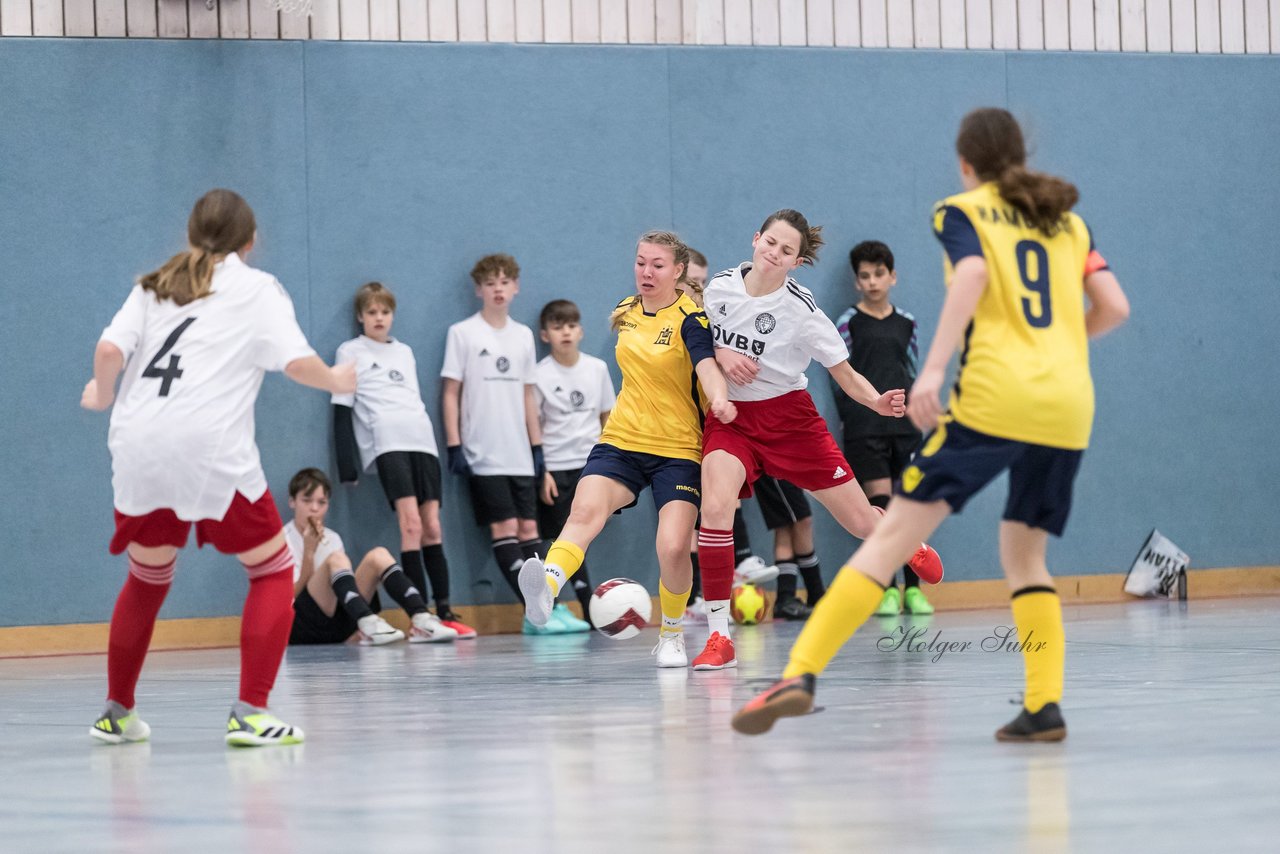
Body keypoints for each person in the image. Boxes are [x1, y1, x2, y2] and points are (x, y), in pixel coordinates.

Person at [732, 108, 1130, 742]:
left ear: (966, 162)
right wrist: (1056, 350)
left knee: (890, 539)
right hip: (1068, 403)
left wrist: (932, 371)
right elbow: (1114, 306)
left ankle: (801, 674)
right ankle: (1044, 703)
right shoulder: (1069, 222)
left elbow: (972, 274)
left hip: (995, 400)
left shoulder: (961, 211)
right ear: (1021, 155)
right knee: (1027, 556)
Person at [82, 189, 355, 747]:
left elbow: (109, 352)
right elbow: (297, 363)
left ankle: (115, 712)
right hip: (207, 446)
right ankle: (252, 712)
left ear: (191, 234)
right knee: (273, 570)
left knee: (147, 575)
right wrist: (336, 379)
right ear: (251, 241)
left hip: (137, 444)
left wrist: (103, 393)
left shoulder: (153, 285)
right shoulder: (256, 289)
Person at [694, 209, 944, 672]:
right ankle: (717, 636)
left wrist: (876, 402)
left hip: (791, 422)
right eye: (770, 242)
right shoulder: (721, 286)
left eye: (787, 250)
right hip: (733, 419)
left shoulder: (802, 310)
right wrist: (722, 352)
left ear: (797, 262)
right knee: (714, 509)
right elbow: (702, 340)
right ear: (755, 239)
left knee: (861, 525)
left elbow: (845, 375)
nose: (774, 253)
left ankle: (903, 538)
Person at [517, 231, 736, 668]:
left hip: (678, 448)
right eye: (640, 262)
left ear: (678, 271)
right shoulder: (625, 311)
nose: (646, 272)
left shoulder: (691, 319)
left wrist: (720, 398)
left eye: (657, 265)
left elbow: (707, 366)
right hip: (622, 438)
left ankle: (672, 636)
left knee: (673, 547)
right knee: (582, 514)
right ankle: (549, 585)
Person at [332, 282, 462, 641]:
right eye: (371, 312)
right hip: (387, 442)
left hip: (422, 440)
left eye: (384, 312)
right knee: (411, 527)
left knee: (433, 526)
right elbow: (342, 407)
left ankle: (445, 611)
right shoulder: (350, 351)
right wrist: (347, 462)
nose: (378, 318)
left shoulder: (404, 351)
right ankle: (419, 617)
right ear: (361, 316)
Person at [441, 254, 542, 628]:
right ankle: (538, 612)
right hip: (483, 453)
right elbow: (451, 391)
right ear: (478, 290)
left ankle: (545, 607)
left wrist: (537, 448)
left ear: (515, 287)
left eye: (505, 281)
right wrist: (454, 444)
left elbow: (528, 396)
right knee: (504, 530)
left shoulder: (523, 336)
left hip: (520, 453)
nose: (498, 288)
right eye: (490, 282)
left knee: (530, 532)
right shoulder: (463, 333)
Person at [834, 240, 931, 616]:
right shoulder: (847, 322)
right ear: (857, 282)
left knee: (908, 508)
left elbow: (912, 370)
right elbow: (839, 377)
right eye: (864, 275)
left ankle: (913, 589)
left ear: (892, 276)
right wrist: (851, 414)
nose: (872, 281)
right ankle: (886, 588)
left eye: (879, 274)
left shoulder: (907, 323)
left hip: (905, 429)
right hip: (864, 429)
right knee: (881, 507)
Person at [681, 247, 776, 624]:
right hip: (678, 431)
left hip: (714, 420)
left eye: (702, 283)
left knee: (721, 500)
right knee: (687, 518)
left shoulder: (713, 318)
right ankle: (693, 597)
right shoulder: (672, 322)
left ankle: (735, 566)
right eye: (692, 283)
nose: (698, 290)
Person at [285, 468, 458, 646]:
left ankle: (421, 618)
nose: (314, 508)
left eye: (321, 502)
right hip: (303, 625)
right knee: (335, 559)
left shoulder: (332, 537)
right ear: (292, 502)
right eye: (306, 501)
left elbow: (343, 589)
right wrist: (308, 553)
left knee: (379, 555)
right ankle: (366, 620)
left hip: (337, 619)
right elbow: (287, 597)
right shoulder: (284, 539)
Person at [530, 299, 616, 633]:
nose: (565, 332)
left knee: (584, 534)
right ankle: (582, 603)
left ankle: (589, 604)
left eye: (570, 325)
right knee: (563, 538)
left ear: (579, 331)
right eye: (556, 326)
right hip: (557, 467)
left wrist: (610, 465)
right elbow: (534, 425)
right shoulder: (539, 375)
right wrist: (544, 472)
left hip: (592, 466)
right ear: (545, 334)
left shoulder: (596, 369)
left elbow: (608, 418)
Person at [752, 474, 824, 620]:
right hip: (774, 460)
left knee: (785, 525)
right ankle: (815, 594)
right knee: (801, 520)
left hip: (782, 460)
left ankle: (786, 597)